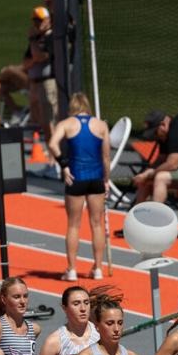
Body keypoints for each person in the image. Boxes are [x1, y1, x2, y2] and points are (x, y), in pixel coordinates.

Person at [48, 92, 110, 281]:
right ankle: (98, 268)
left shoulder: (66, 124)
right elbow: (106, 157)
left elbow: (52, 144)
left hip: (75, 177)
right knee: (97, 223)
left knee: (74, 225)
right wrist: (106, 179)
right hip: (95, 178)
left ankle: (72, 269)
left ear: (73, 107)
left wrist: (64, 165)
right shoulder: (101, 125)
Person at [26, 6, 58, 140]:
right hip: (36, 83)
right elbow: (26, 62)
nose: (36, 24)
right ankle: (52, 150)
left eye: (39, 20)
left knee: (51, 119)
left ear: (48, 20)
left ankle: (56, 153)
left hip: (48, 83)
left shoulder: (50, 37)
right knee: (43, 121)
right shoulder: (38, 38)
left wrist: (33, 41)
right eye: (34, 21)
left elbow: (40, 56)